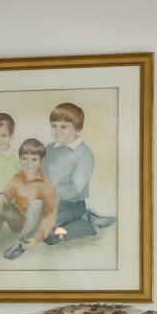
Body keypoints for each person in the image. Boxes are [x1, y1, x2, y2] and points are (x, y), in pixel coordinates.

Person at [0, 138, 60, 259]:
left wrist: (38, 237)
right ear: (20, 159)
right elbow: (8, 192)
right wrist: (4, 196)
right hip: (20, 221)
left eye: (34, 159)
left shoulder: (46, 184)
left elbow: (51, 214)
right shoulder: (17, 178)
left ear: (41, 161)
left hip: (35, 225)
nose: (28, 163)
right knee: (0, 201)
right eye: (24, 159)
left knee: (37, 203)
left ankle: (21, 244)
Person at [40, 102, 117, 242]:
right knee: (31, 225)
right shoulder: (49, 148)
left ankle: (86, 224)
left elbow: (76, 187)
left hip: (71, 204)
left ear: (77, 128)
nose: (57, 131)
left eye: (64, 126)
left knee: (49, 236)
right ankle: (83, 218)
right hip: (46, 201)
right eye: (54, 126)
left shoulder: (83, 153)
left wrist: (51, 193)